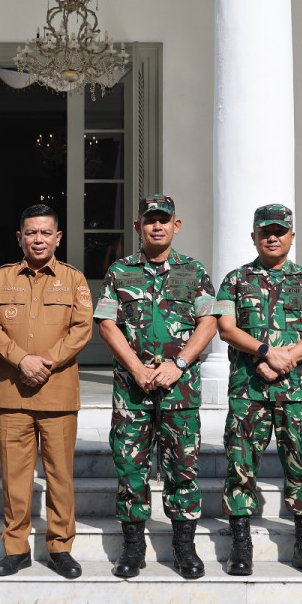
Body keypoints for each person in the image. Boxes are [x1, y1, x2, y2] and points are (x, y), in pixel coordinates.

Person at [95, 194, 217, 579]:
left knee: (183, 469)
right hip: (133, 393)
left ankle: (185, 548)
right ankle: (133, 549)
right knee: (131, 471)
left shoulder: (194, 271)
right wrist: (135, 367)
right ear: (138, 227)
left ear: (176, 226)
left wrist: (179, 365)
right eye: (150, 221)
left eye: (164, 220)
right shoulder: (120, 271)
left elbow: (209, 322)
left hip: (179, 392)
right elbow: (107, 323)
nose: (157, 226)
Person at [214, 204, 302, 577]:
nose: (272, 236)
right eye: (265, 231)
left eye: (280, 231)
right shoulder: (235, 279)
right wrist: (265, 352)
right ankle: (241, 546)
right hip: (248, 392)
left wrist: (286, 359)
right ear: (253, 236)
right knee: (240, 470)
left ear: (291, 236)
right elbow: (227, 329)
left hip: (296, 394)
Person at [0, 204, 93, 578]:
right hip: (12, 393)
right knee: (15, 476)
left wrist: (44, 362)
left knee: (60, 475)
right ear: (20, 237)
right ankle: (16, 548)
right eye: (31, 233)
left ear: (58, 237)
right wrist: (21, 360)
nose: (38, 239)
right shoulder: (1, 278)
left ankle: (61, 547)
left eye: (45, 232)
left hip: (58, 393)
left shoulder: (74, 280)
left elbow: (81, 329)